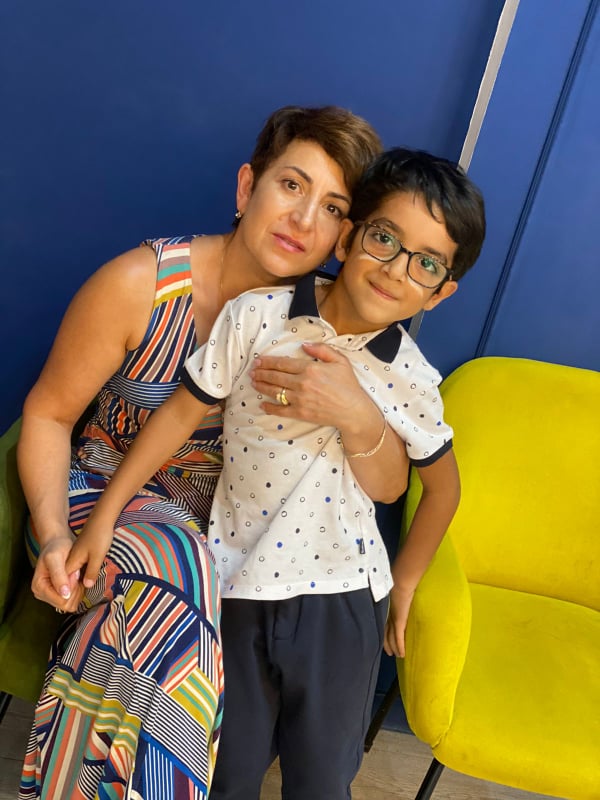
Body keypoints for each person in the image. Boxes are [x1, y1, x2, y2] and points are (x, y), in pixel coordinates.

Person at [16, 106, 409, 800]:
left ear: (345, 236)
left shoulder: (336, 327)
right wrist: (52, 534)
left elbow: (389, 484)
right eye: (291, 185)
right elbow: (48, 415)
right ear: (247, 187)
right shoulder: (141, 284)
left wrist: (357, 414)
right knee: (182, 577)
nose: (303, 219)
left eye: (332, 207)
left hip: (235, 537)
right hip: (100, 500)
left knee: (163, 615)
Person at [73, 147, 486, 799]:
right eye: (384, 238)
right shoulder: (257, 316)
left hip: (342, 599)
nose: (395, 269)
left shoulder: (409, 376)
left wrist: (405, 582)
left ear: (441, 292)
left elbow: (440, 487)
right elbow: (178, 415)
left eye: (426, 263)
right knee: (223, 773)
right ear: (347, 238)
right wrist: (104, 516)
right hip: (235, 583)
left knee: (321, 782)